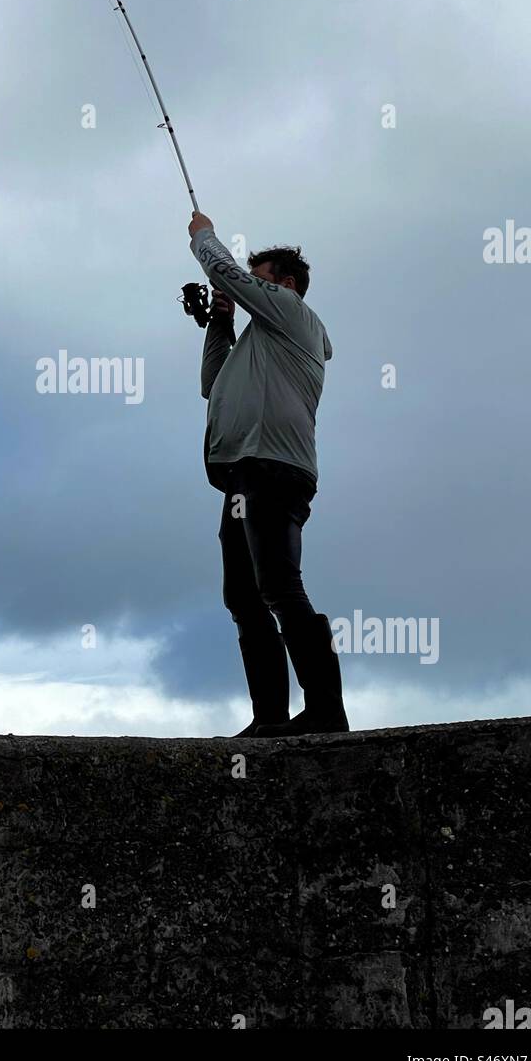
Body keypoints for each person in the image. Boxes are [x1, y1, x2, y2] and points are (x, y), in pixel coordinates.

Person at [188, 210, 348, 738]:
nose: (251, 284)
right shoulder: (263, 339)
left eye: (259, 278)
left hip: (276, 469)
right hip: (243, 475)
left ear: (283, 284)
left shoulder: (293, 313)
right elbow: (213, 383)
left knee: (279, 586)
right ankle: (271, 719)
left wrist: (204, 238)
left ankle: (326, 711)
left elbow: (224, 272)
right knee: (244, 597)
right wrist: (221, 320)